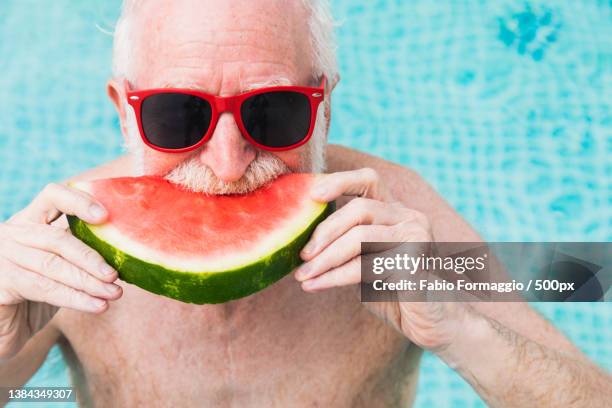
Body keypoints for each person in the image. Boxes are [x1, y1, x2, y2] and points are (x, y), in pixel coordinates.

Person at [0, 0, 609, 406]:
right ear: (122, 111)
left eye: (274, 109)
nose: (228, 163)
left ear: (323, 104)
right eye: (178, 115)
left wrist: (463, 329)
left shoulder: (400, 227)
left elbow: (584, 277)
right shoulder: (66, 240)